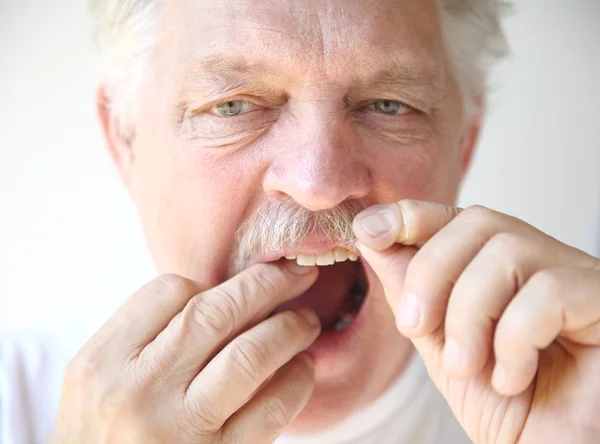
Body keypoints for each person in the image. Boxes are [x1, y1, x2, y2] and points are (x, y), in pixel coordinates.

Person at [2, 0, 600, 443]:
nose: (319, 185)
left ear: (463, 144)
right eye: (233, 105)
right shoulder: (14, 405)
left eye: (389, 105)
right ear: (126, 141)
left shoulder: (564, 402)